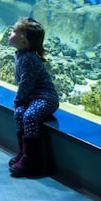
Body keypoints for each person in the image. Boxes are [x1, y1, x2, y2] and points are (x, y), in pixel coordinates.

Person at [7, 17, 60, 177]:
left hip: (46, 98)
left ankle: (32, 159)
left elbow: (26, 84)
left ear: (24, 41)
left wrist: (18, 101)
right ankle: (24, 152)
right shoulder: (21, 54)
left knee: (29, 116)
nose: (10, 33)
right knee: (18, 114)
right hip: (32, 97)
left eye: (15, 31)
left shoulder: (29, 59)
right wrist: (20, 104)